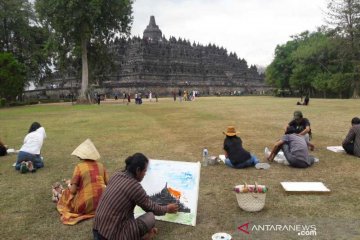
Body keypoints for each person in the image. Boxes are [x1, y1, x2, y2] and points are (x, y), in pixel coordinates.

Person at [93, 153, 178, 240]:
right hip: (111, 236)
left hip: (97, 230)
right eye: (144, 171)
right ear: (138, 170)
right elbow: (151, 208)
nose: (145, 174)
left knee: (129, 214)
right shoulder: (134, 187)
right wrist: (167, 209)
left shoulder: (116, 175)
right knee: (150, 217)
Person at [56, 139, 109, 225]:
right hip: (103, 204)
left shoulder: (79, 167)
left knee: (67, 193)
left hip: (84, 206)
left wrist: (72, 186)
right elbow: (108, 184)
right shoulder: (101, 166)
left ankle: (58, 194)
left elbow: (73, 190)